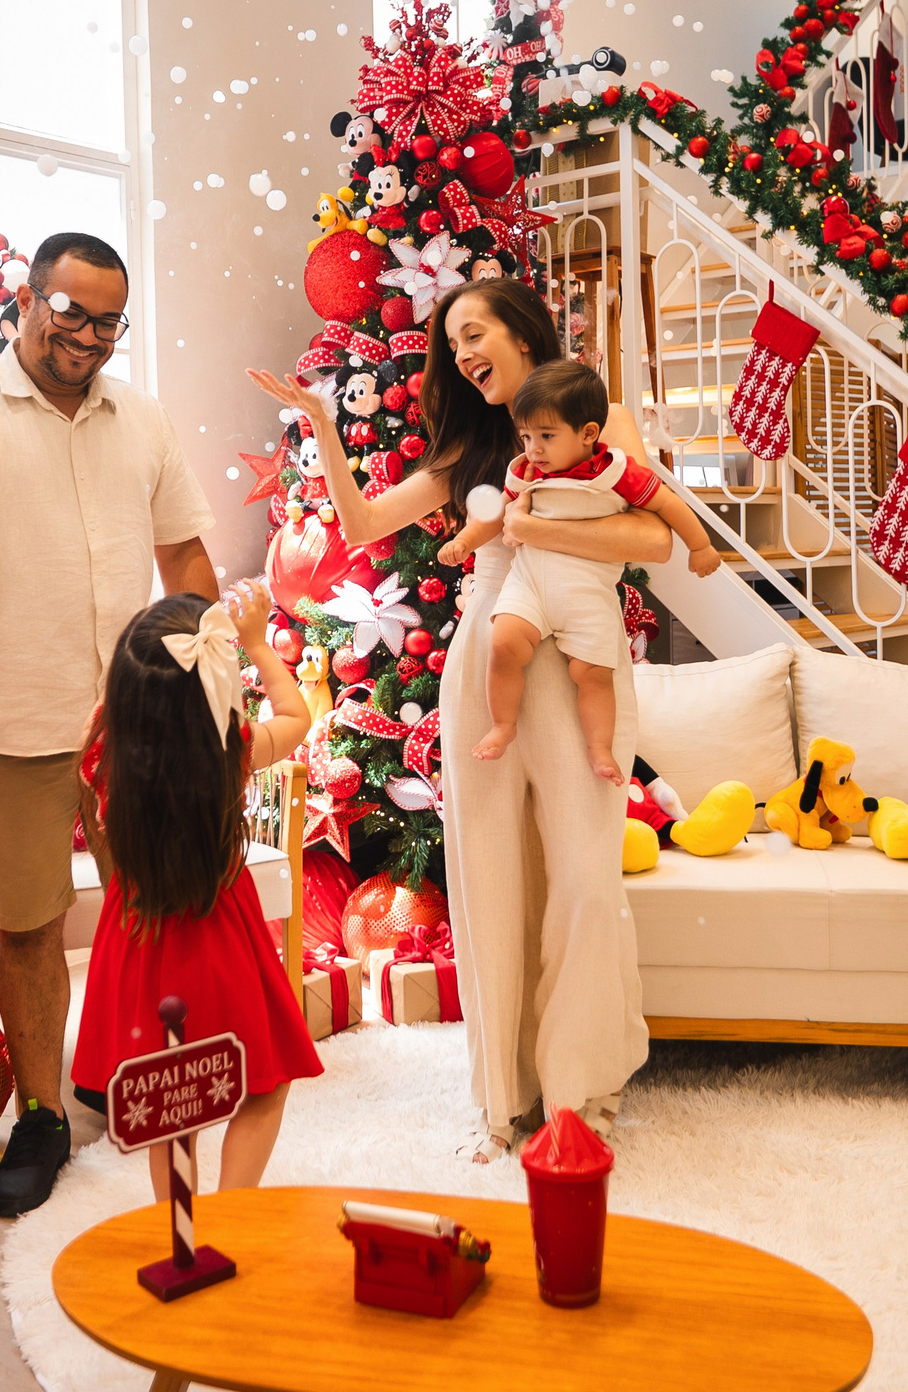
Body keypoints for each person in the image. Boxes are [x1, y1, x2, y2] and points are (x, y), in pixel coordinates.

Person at [249, 278, 675, 1156]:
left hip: (579, 661)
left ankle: (578, 1091)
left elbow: (656, 540)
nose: (463, 352)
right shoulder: (469, 451)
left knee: (587, 882)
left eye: (475, 332)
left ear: (523, 331)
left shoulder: (603, 424)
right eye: (453, 342)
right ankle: (506, 1099)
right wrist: (325, 430)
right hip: (486, 664)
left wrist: (536, 531)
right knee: (490, 881)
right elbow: (364, 522)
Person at [0, 231, 218, 1218]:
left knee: (156, 909)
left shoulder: (138, 417)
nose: (90, 336)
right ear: (27, 299)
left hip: (138, 715)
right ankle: (43, 1114)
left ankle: (138, 1073)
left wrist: (206, 678)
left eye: (109, 321)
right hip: (13, 713)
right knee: (27, 924)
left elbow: (185, 554)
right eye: (72, 313)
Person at [69, 580, 320, 1201]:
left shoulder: (100, 757)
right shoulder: (230, 753)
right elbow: (298, 716)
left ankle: (177, 1222)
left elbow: (107, 730)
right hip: (220, 936)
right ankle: (234, 1209)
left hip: (139, 939)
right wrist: (260, 644)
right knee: (262, 1084)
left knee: (167, 1099)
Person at [440, 360, 723, 784]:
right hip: (531, 582)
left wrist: (699, 546)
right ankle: (503, 725)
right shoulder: (526, 470)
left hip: (588, 592)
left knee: (593, 674)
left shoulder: (617, 471)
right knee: (503, 645)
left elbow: (666, 505)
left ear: (589, 434)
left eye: (547, 437)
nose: (534, 448)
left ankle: (599, 748)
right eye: (527, 436)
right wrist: (465, 540)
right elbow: (498, 512)